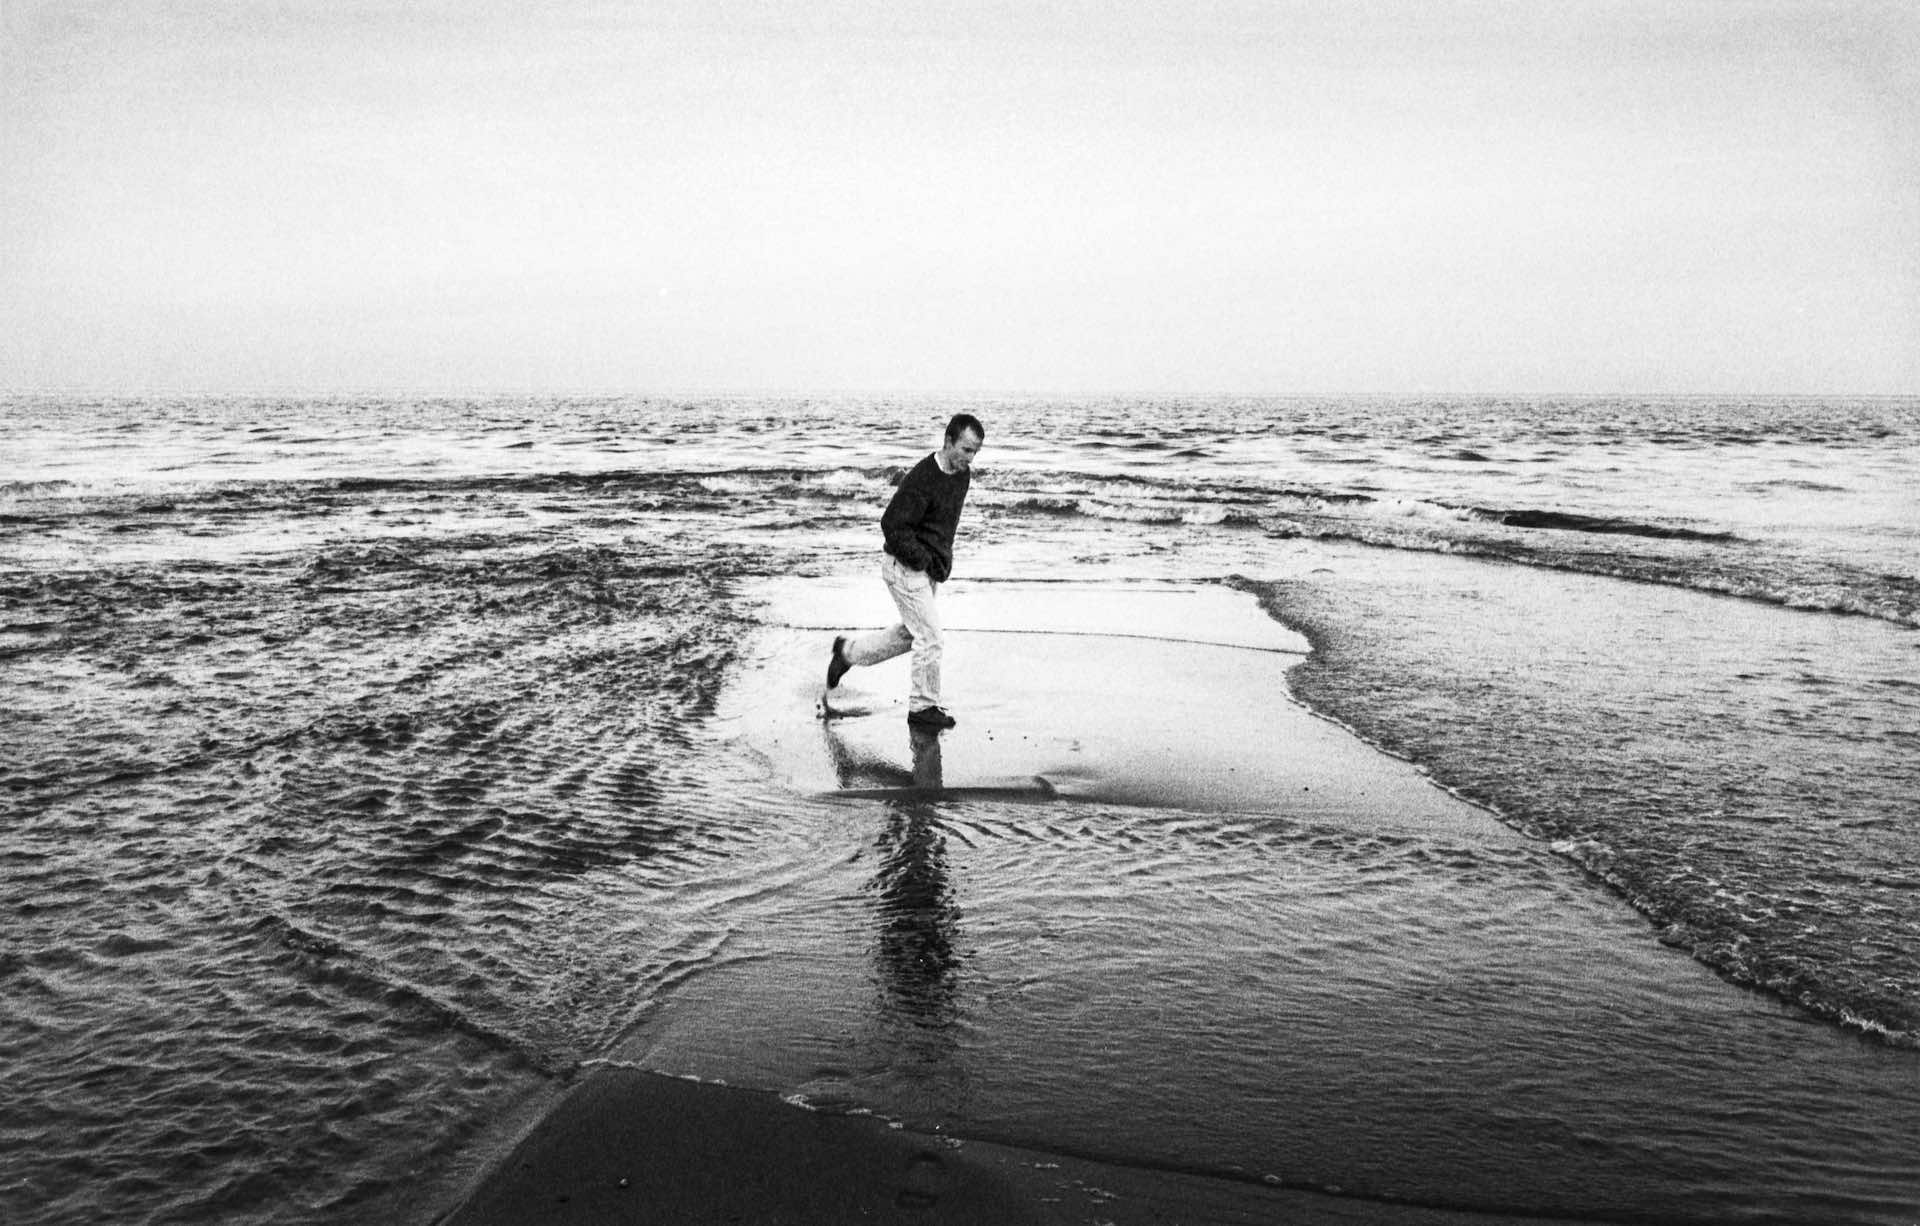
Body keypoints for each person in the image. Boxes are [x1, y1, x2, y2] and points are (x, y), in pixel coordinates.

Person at [825, 413, 985, 728]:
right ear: (949, 441)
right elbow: (892, 525)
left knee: (909, 634)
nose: (970, 458)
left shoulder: (961, 476)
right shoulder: (922, 478)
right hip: (903, 566)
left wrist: (938, 561)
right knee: (930, 636)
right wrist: (921, 559)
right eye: (966, 449)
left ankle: (847, 653)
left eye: (976, 451)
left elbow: (942, 526)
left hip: (927, 569)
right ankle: (922, 708)